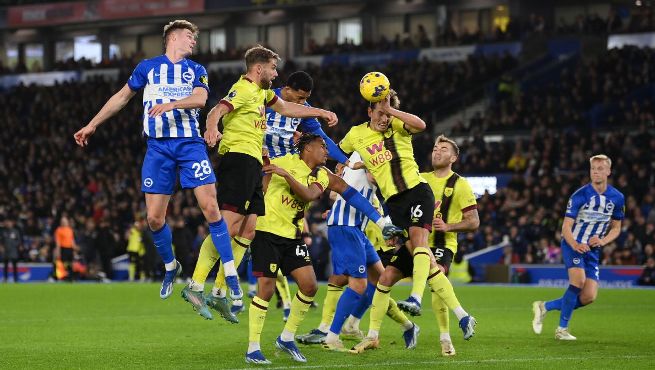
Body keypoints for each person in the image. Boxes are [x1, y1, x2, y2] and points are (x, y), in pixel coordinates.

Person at [73, 20, 231, 299]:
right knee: (154, 219)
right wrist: (92, 124)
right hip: (158, 148)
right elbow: (121, 97)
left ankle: (230, 277)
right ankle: (171, 266)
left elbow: (200, 99)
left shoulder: (196, 70)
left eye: (194, 37)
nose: (193, 41)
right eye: (188, 36)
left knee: (211, 209)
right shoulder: (148, 67)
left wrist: (171, 104)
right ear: (172, 38)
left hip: (190, 144)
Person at [182, 45, 339, 320]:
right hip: (239, 159)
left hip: (255, 163)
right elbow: (217, 109)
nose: (276, 74)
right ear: (258, 69)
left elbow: (288, 108)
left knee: (249, 229)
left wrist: (320, 113)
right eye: (273, 68)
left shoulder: (263, 94)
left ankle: (219, 292)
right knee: (228, 226)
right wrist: (211, 127)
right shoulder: (243, 89)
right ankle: (195, 286)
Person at [245, 134, 400, 365]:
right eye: (323, 146)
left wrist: (381, 222)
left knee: (309, 286)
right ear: (307, 147)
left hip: (292, 236)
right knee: (266, 290)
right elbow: (261, 187)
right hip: (267, 232)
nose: (327, 151)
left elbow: (348, 196)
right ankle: (253, 348)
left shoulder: (323, 175)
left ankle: (286, 338)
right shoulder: (284, 161)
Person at [340, 91, 475, 353]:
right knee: (387, 277)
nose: (383, 117)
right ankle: (373, 335)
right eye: (379, 111)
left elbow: (421, 125)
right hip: (395, 205)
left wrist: (390, 110)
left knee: (420, 245)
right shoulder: (359, 134)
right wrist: (345, 165)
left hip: (416, 194)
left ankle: (416, 298)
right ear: (369, 111)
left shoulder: (398, 125)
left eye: (387, 111)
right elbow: (350, 154)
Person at [230, 70, 358, 316]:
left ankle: (247, 292)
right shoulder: (266, 98)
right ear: (285, 89)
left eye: (305, 100)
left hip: (283, 175)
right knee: (240, 227)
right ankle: (227, 284)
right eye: (298, 98)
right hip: (257, 168)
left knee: (262, 232)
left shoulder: (303, 111)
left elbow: (321, 140)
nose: (301, 104)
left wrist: (346, 161)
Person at [296, 153, 418, 351]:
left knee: (380, 281)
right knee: (357, 285)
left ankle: (408, 326)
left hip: (357, 230)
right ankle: (331, 336)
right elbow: (367, 177)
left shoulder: (367, 156)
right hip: (346, 228)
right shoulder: (367, 151)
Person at [532, 154, 624, 340]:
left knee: (588, 296)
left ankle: (545, 307)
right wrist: (575, 243)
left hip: (593, 250)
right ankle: (561, 330)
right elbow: (566, 226)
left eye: (600, 169)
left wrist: (603, 241)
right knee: (578, 282)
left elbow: (616, 228)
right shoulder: (580, 195)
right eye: (593, 169)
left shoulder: (617, 198)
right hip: (572, 243)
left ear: (608, 171)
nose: (596, 172)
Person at [414, 134, 480, 356]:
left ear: (453, 157)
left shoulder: (460, 185)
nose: (437, 151)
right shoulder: (420, 179)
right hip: (417, 240)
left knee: (435, 279)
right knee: (385, 278)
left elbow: (474, 222)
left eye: (443, 149)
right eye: (435, 148)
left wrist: (448, 227)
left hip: (443, 243)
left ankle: (445, 337)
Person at [54, 216, 77, 281]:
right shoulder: (58, 230)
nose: (64, 223)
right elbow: (58, 241)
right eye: (62, 221)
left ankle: (70, 277)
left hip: (70, 249)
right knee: (64, 263)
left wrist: (74, 248)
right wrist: (58, 251)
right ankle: (62, 276)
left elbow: (72, 240)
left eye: (65, 221)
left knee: (70, 263)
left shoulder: (70, 230)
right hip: (63, 248)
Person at [1, 218, 23, 282]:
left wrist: (15, 245)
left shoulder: (16, 231)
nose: (8, 224)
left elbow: (19, 240)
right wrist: (1, 246)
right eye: (7, 223)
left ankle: (15, 279)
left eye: (10, 223)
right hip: (5, 251)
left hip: (13, 250)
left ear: (12, 224)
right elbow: (1, 240)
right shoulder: (3, 231)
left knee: (14, 266)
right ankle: (5, 278)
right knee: (5, 266)